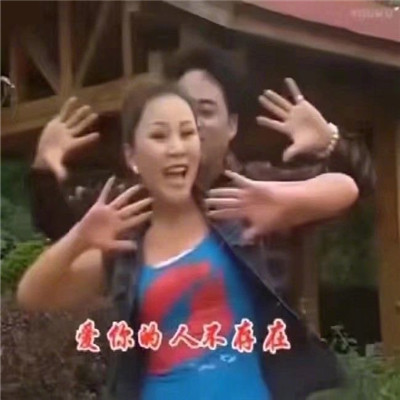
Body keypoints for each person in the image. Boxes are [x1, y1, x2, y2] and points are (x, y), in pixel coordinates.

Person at [18, 76, 358, 400]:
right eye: (159, 136)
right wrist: (80, 236)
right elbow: (33, 295)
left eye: (187, 133)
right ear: (132, 156)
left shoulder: (236, 209)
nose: (176, 148)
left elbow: (346, 189)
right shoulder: (126, 249)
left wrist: (283, 200)